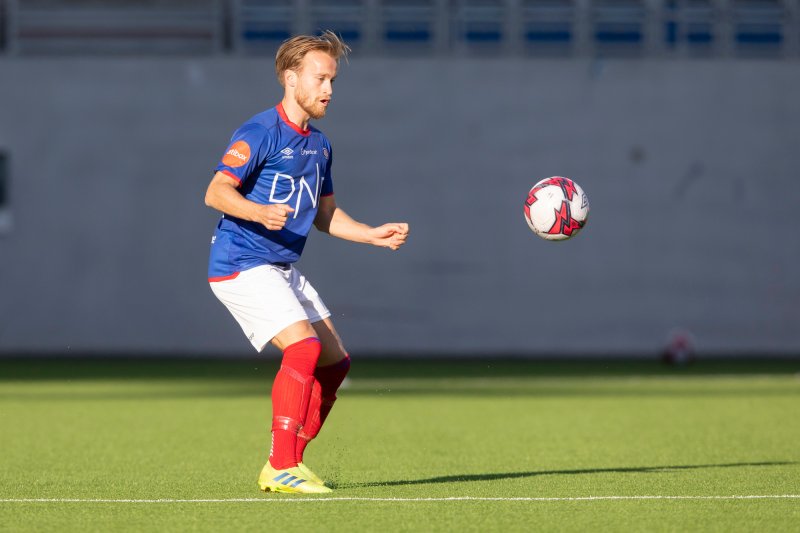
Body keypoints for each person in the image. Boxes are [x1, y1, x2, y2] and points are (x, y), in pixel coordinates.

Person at [204, 31, 409, 494]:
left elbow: (325, 216)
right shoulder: (259, 131)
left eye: (332, 81)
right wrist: (257, 211)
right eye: (321, 79)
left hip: (279, 267)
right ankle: (280, 464)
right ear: (290, 77)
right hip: (241, 262)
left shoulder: (320, 146)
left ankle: (290, 459)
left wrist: (371, 235)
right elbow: (215, 191)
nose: (329, 90)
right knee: (303, 349)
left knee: (335, 365)